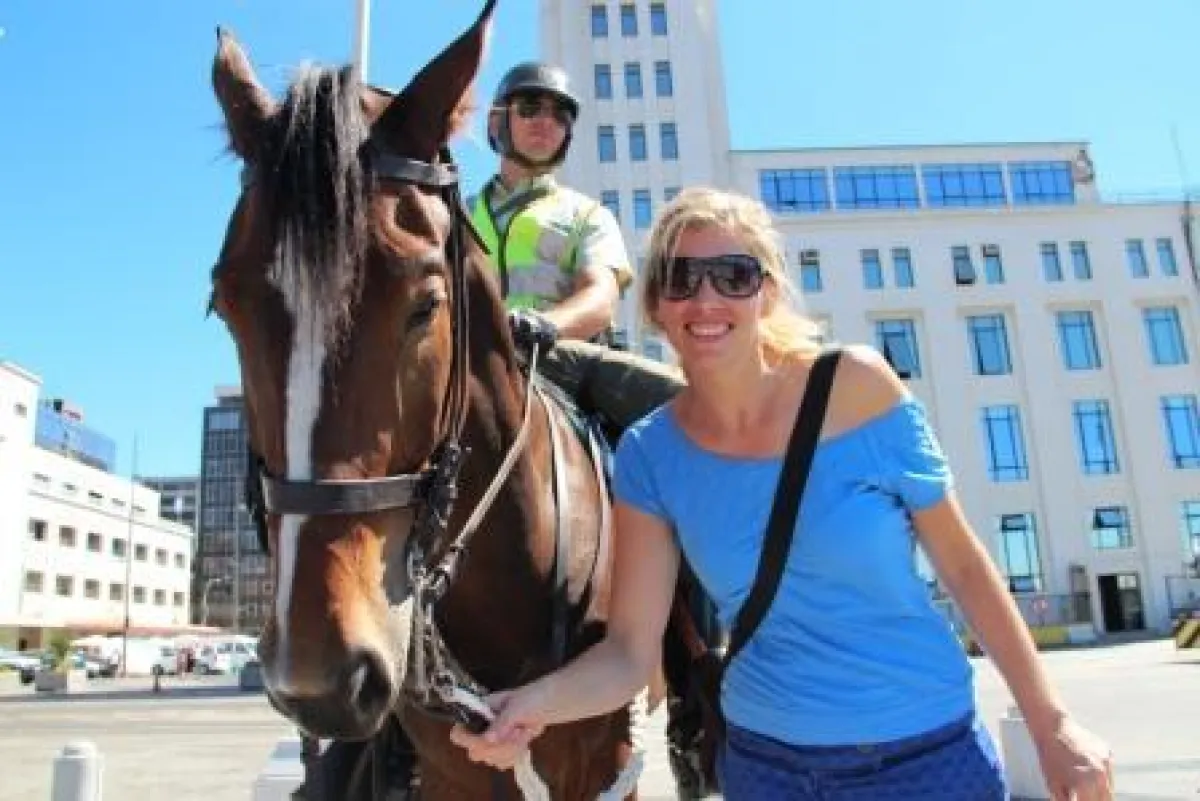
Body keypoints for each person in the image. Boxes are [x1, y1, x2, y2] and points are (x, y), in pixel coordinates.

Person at [450, 187, 1115, 800]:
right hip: (768, 766)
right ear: (655, 305)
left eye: (733, 275)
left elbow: (965, 566)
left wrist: (1050, 721)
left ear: (766, 293)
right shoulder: (651, 453)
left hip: (925, 754)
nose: (706, 299)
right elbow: (628, 652)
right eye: (682, 278)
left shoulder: (858, 386)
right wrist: (527, 705)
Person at [470, 60, 685, 434]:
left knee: (684, 404)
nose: (545, 121)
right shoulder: (455, 211)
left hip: (556, 356)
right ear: (495, 122)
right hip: (465, 360)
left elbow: (600, 297)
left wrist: (542, 326)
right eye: (530, 107)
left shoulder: (588, 213)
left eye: (560, 115)